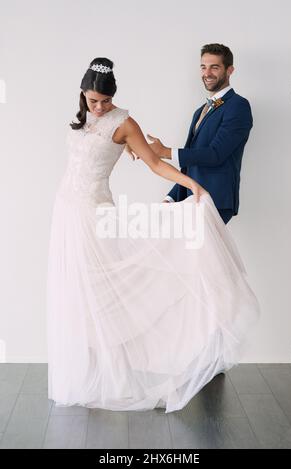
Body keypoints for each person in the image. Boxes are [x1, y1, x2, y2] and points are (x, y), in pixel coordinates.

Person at [46, 57, 259, 413]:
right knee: (73, 289)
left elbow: (156, 163)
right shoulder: (82, 118)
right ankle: (84, 371)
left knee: (104, 289)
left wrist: (190, 183)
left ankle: (128, 369)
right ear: (82, 95)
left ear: (114, 97)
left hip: (94, 213)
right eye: (92, 100)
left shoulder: (123, 122)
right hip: (64, 210)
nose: (98, 107)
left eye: (105, 101)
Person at [146, 43, 253, 225]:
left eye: (215, 67)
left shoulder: (238, 106)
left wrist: (164, 151)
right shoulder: (200, 111)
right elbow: (190, 166)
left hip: (216, 201)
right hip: (191, 200)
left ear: (230, 70)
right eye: (203, 67)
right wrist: (171, 198)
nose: (207, 73)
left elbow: (215, 154)